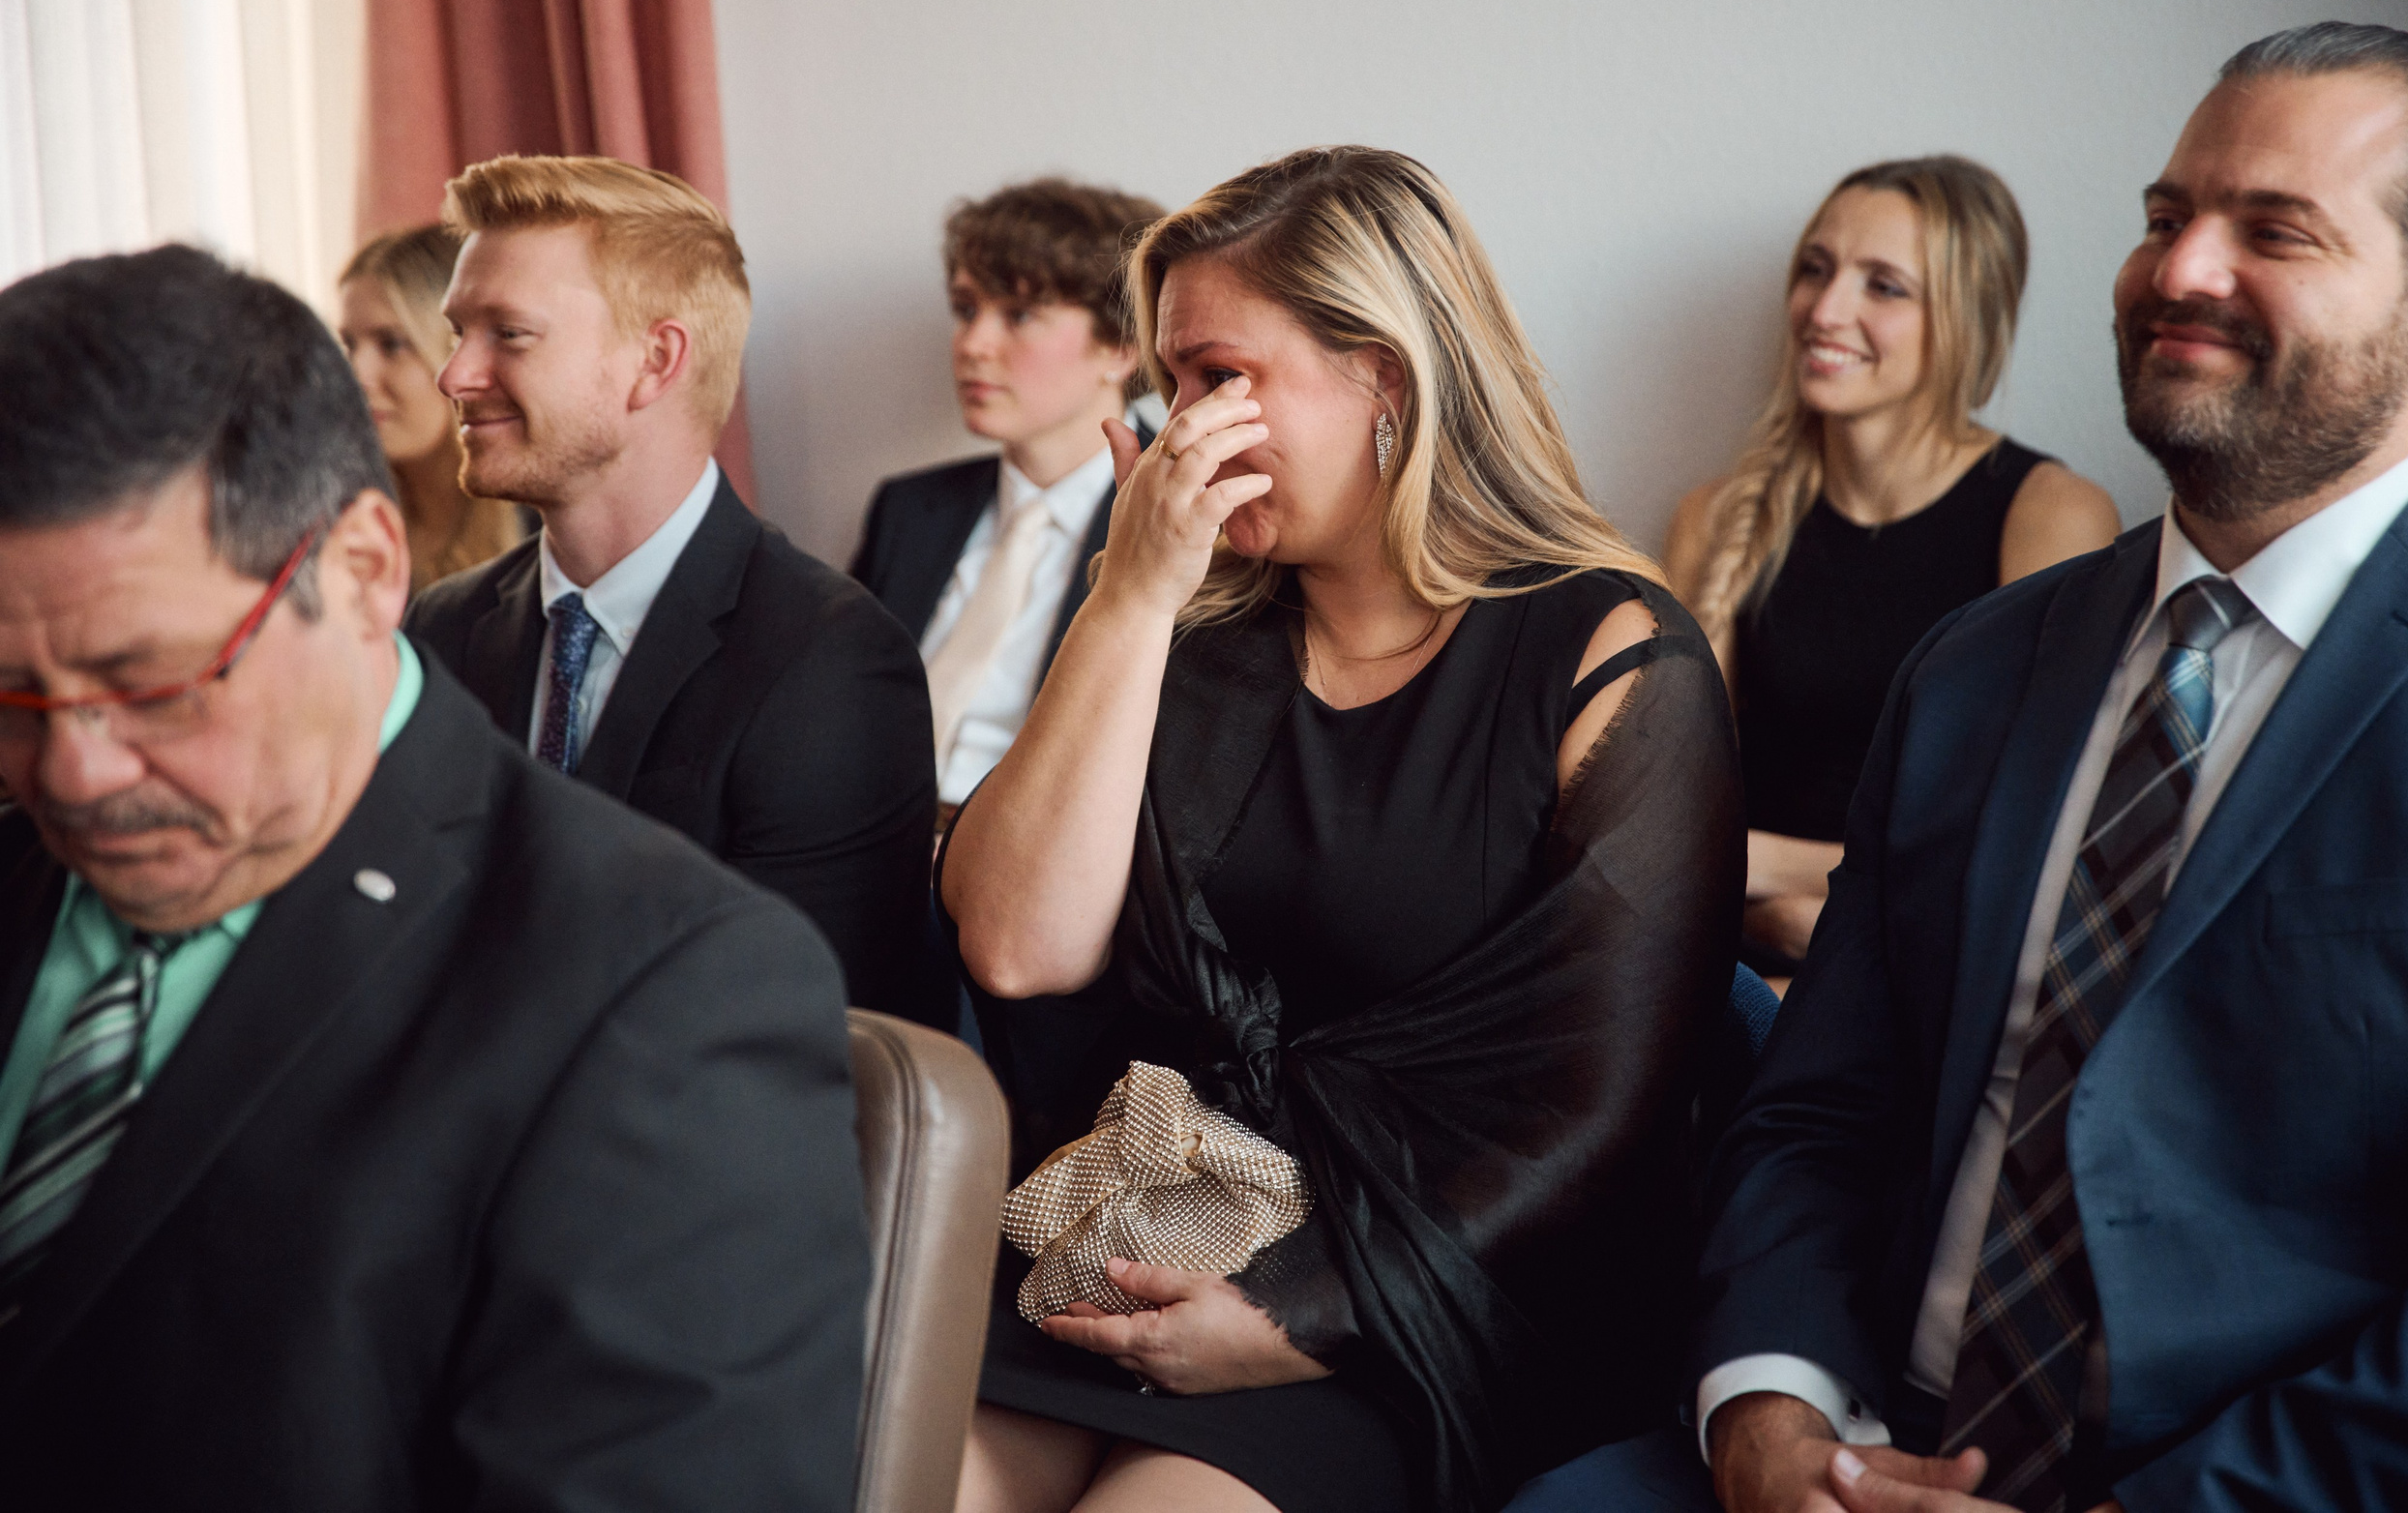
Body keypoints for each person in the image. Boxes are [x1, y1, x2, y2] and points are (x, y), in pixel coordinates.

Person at [1672, 21, 2408, 1513]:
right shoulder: (1977, 663)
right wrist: (1769, 1413)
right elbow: (1814, 1109)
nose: (2180, 270)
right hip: (1855, 1448)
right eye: (2167, 217)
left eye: (2274, 230)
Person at [0, 245, 871, 1506]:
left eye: (151, 682)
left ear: (359, 571)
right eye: (13, 695)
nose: (71, 772)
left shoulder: (663, 996)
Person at [942, 147, 1741, 1513]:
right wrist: (1125, 603)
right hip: (1151, 1227)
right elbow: (1017, 945)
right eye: (1173, 385)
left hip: (1434, 1288)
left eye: (1220, 377)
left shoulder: (1612, 651)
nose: (1180, 424)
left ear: (1384, 373)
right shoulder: (1195, 621)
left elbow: (1600, 1110)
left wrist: (1303, 1311)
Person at [404, 156, 947, 1027]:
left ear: (655, 361)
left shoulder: (826, 660)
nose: (455, 375)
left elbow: (795, 1037)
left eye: (508, 333)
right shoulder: (440, 627)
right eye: (457, 331)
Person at [1664, 157, 2119, 974]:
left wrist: (1764, 872)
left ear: (1966, 319)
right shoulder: (1717, 516)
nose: (1825, 309)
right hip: (1729, 943)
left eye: (1884, 285)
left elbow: (2033, 831)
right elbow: (1665, 804)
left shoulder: (2049, 515)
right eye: (1816, 269)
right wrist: (1778, 920)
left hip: (1924, 957)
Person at [850, 176, 1166, 1163]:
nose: (973, 343)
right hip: (876, 872)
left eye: (1019, 312)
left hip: (1036, 906)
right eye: (964, 309)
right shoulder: (911, 509)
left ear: (1122, 346)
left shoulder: (1183, 522)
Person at [337, 223, 526, 592]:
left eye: (391, 345)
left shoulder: (541, 522)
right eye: (348, 346)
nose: (357, 375)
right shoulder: (338, 522)